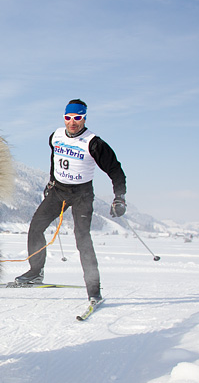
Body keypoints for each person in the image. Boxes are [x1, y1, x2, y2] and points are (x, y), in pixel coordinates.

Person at [15, 99, 127, 304]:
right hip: (58, 191)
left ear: (84, 118)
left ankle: (94, 290)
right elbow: (55, 159)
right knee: (35, 227)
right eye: (68, 118)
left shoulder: (94, 143)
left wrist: (119, 197)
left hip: (82, 194)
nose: (73, 122)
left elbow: (115, 170)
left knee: (82, 238)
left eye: (77, 118)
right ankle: (35, 272)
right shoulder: (55, 136)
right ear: (64, 118)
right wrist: (51, 181)